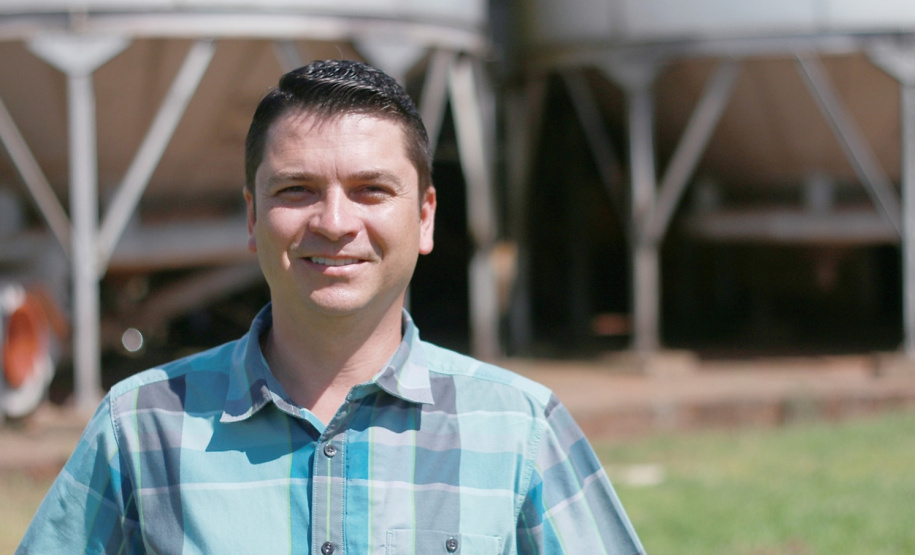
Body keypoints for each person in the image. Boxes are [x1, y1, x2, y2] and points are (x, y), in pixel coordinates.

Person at [18, 60, 645, 554]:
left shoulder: (520, 431)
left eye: (371, 190)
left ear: (425, 217)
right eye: (298, 190)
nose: (336, 222)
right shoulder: (140, 429)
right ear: (252, 215)